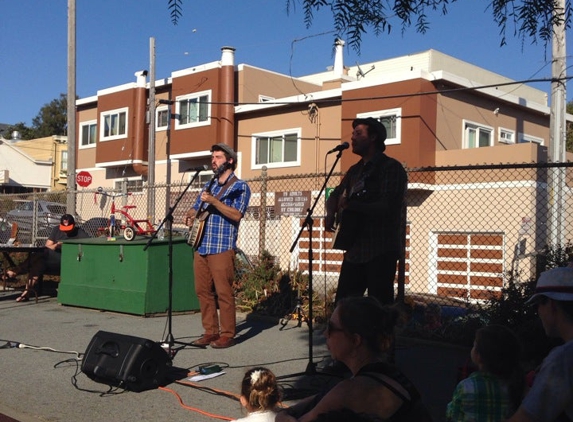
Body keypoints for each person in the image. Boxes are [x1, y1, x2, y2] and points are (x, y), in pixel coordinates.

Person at [276, 296, 432, 422]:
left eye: (331, 328)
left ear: (355, 340)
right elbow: (322, 396)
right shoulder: (386, 374)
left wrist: (280, 416)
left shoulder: (351, 391)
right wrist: (289, 410)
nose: (324, 334)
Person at [325, 117, 407, 305]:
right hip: (355, 250)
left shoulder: (390, 168)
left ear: (373, 138)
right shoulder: (355, 170)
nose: (352, 138)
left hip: (380, 250)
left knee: (378, 311)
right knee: (344, 307)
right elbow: (334, 196)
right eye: (353, 134)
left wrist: (353, 206)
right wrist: (330, 213)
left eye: (358, 133)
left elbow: (388, 206)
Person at [186, 143, 251, 349]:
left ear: (230, 161)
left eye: (218, 157)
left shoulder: (239, 186)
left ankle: (228, 334)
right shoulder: (209, 185)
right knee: (202, 290)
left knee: (223, 292)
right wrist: (190, 215)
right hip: (201, 244)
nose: (213, 161)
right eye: (212, 157)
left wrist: (214, 201)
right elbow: (196, 208)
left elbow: (236, 214)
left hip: (222, 246)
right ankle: (210, 331)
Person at [507, 266, 573, 421]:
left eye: (538, 305)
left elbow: (526, 418)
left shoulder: (562, 360)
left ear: (551, 305)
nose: (538, 312)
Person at [446, 325, 524, 421]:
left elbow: (452, 416)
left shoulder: (466, 387)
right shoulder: (516, 387)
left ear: (479, 356)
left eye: (474, 345)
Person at [4, 214, 89, 302]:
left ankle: (16, 270)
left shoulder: (80, 232)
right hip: (52, 258)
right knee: (39, 263)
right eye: (64, 229)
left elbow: (89, 246)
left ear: (74, 225)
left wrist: (69, 246)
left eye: (68, 229)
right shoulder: (56, 229)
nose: (66, 232)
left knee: (43, 252)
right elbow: (48, 245)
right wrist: (57, 245)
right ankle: (26, 294)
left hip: (66, 259)